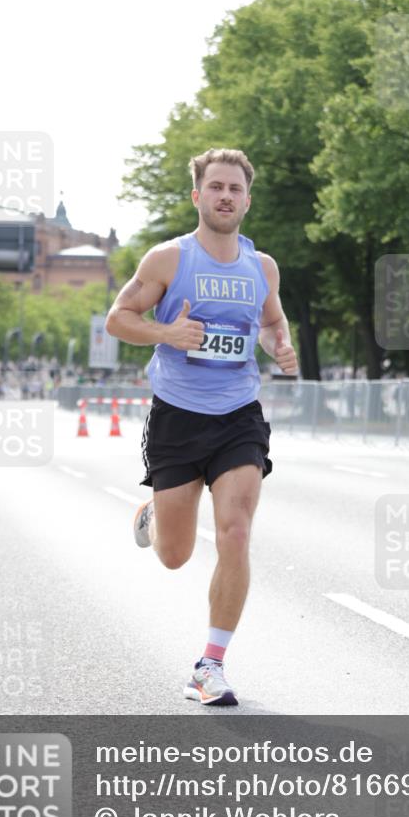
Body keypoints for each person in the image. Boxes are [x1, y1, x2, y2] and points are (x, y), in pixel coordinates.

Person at [106, 148, 298, 706]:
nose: (225, 197)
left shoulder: (261, 267)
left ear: (246, 200)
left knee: (236, 531)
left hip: (238, 412)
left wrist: (280, 345)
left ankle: (209, 665)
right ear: (197, 196)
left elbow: (271, 322)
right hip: (178, 414)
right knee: (175, 555)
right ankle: (151, 515)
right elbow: (120, 318)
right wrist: (167, 334)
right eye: (215, 187)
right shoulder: (169, 259)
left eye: (235, 189)